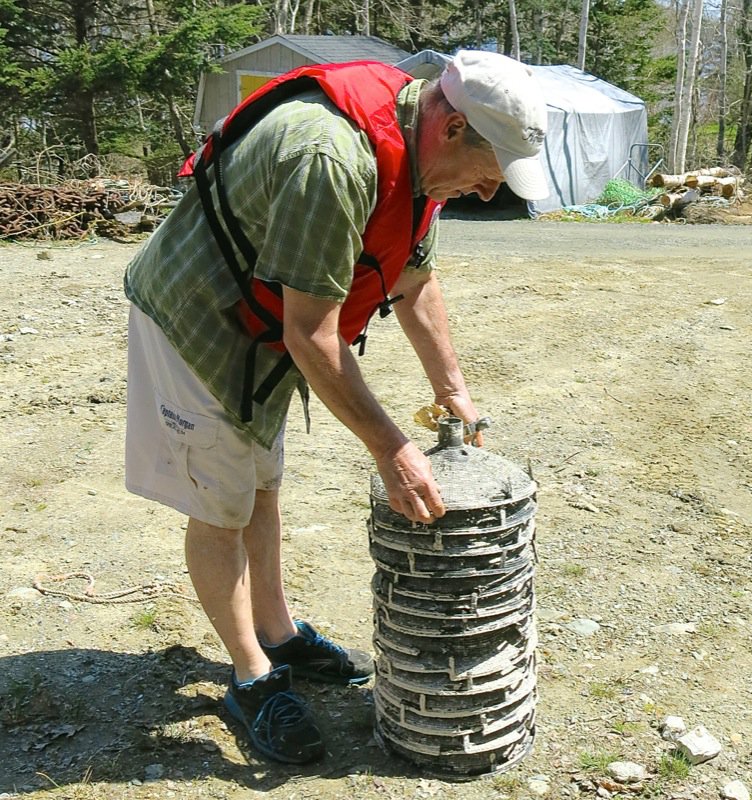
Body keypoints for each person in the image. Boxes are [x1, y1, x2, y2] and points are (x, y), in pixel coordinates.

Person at [123, 48, 549, 765]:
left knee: (260, 480)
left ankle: (278, 630)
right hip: (196, 316)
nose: (484, 194)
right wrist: (392, 448)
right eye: (486, 173)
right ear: (450, 129)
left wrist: (452, 390)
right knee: (219, 499)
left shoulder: (418, 162)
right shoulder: (331, 159)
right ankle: (251, 676)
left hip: (263, 323)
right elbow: (312, 334)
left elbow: (414, 277)